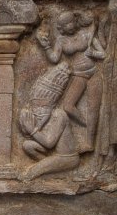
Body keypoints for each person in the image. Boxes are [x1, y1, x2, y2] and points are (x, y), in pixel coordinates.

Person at [36, 10, 105, 152]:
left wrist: (93, 53)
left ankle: (90, 144)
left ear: (74, 22)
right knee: (68, 106)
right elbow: (54, 59)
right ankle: (88, 125)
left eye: (68, 23)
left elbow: (103, 54)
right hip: (78, 75)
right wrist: (46, 46)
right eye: (63, 25)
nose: (67, 27)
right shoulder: (61, 40)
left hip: (93, 74)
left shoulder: (87, 34)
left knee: (93, 108)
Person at [19, 62, 80, 180]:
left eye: (43, 107)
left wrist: (32, 130)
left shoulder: (59, 115)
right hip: (54, 154)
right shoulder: (43, 116)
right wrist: (24, 125)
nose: (39, 111)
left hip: (67, 158)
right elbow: (34, 137)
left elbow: (49, 143)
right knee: (27, 145)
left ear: (53, 104)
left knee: (30, 173)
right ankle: (52, 170)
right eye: (36, 107)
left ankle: (49, 169)